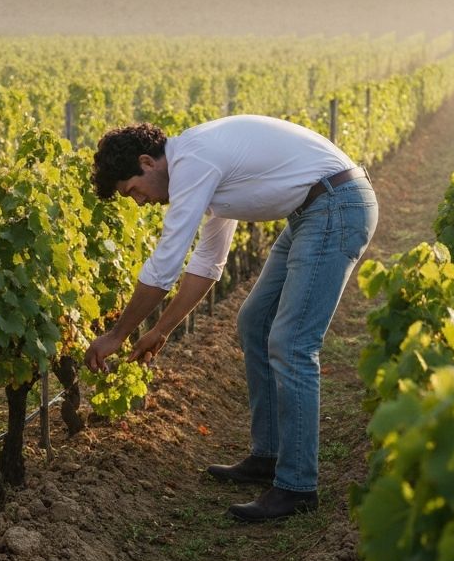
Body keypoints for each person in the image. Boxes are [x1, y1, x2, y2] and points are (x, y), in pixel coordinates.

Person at [84, 115, 378, 521]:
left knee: (292, 343)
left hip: (334, 206)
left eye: (132, 190)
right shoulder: (201, 162)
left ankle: (297, 486)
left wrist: (117, 334)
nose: (139, 201)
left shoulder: (194, 159)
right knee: (254, 321)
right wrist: (161, 330)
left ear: (147, 162)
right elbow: (208, 260)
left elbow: (167, 263)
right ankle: (269, 455)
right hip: (314, 209)